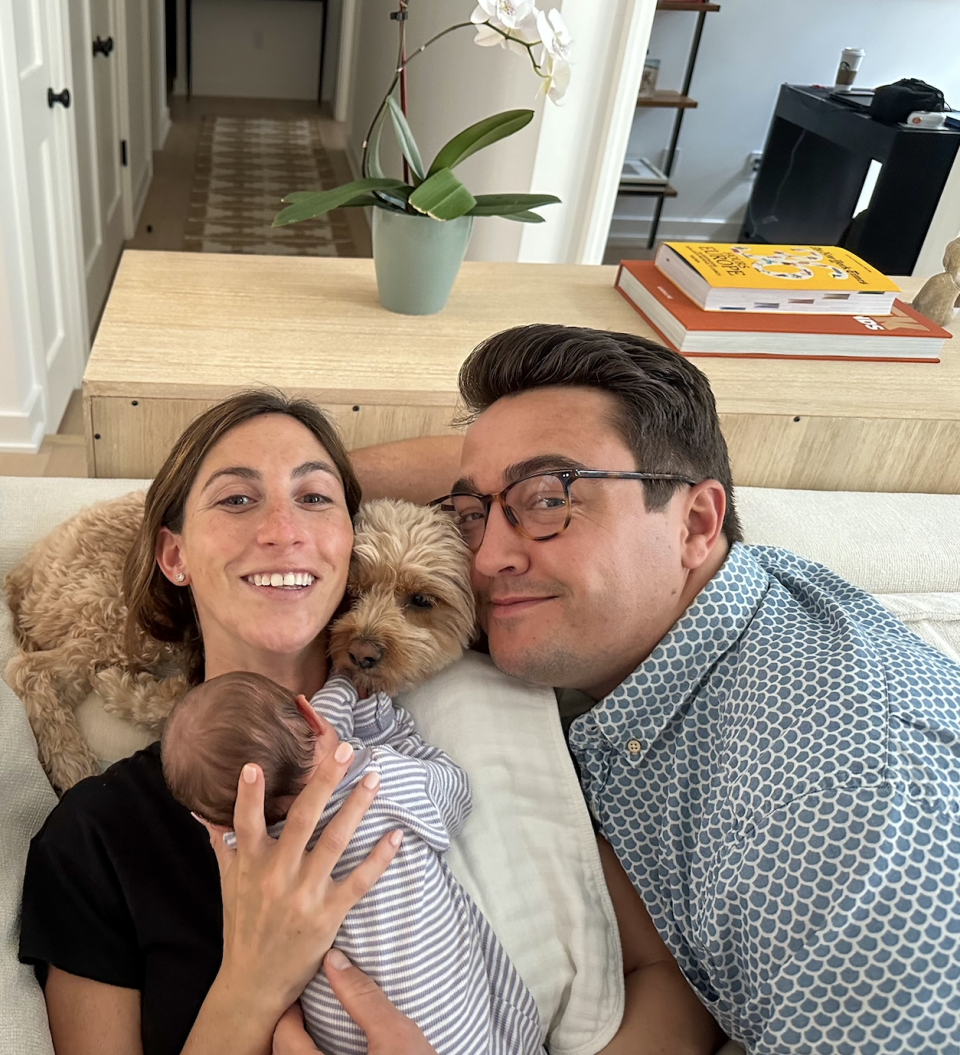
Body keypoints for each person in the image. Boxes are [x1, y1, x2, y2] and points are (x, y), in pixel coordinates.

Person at [17, 388, 722, 1055]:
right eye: (237, 498)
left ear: (351, 536)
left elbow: (671, 977)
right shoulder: (96, 836)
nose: (283, 530)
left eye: (316, 497)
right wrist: (251, 986)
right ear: (175, 555)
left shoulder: (473, 729)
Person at [355, 323, 960, 1055]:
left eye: (549, 499)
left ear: (696, 522)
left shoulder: (835, 813)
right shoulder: (690, 628)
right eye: (475, 513)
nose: (487, 556)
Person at [160, 670, 544, 1055]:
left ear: (213, 821)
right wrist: (386, 733)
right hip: (469, 1035)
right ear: (310, 715)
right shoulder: (383, 782)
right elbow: (456, 793)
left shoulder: (245, 866)